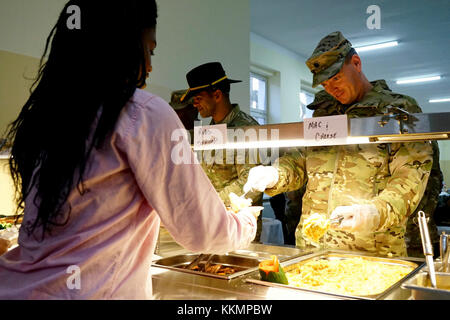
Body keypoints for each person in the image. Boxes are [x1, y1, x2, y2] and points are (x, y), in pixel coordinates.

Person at [0, 0, 259, 299]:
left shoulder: (50, 116)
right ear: (120, 45)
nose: (150, 65)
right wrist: (246, 221)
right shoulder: (144, 112)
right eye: (149, 49)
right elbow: (204, 232)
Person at [244, 31, 440, 257]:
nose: (331, 89)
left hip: (371, 251)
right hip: (312, 248)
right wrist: (275, 174)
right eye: (325, 84)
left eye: (336, 78)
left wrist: (371, 213)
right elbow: (297, 162)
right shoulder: (322, 116)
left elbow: (410, 180)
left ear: (356, 63)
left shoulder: (396, 110)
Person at [180, 62, 264, 241]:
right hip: (210, 225)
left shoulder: (246, 129)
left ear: (217, 95)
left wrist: (211, 202)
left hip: (238, 228)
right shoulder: (209, 131)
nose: (195, 104)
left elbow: (250, 182)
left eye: (198, 98)